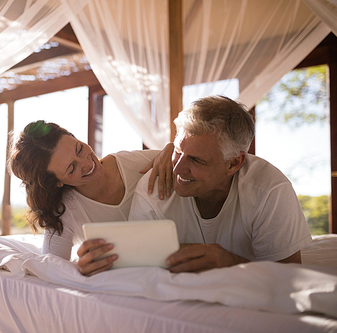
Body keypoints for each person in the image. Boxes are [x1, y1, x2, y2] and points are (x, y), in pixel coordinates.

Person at [128, 95, 312, 273]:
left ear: (233, 163)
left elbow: (288, 277)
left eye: (197, 160)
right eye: (176, 151)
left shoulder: (269, 190)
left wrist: (231, 263)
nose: (178, 169)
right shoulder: (153, 187)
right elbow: (136, 267)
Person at [9, 120, 174, 276]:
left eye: (80, 149)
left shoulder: (132, 164)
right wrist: (80, 268)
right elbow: (50, 266)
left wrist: (173, 150)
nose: (87, 164)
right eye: (72, 168)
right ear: (57, 183)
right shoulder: (64, 211)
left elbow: (188, 160)